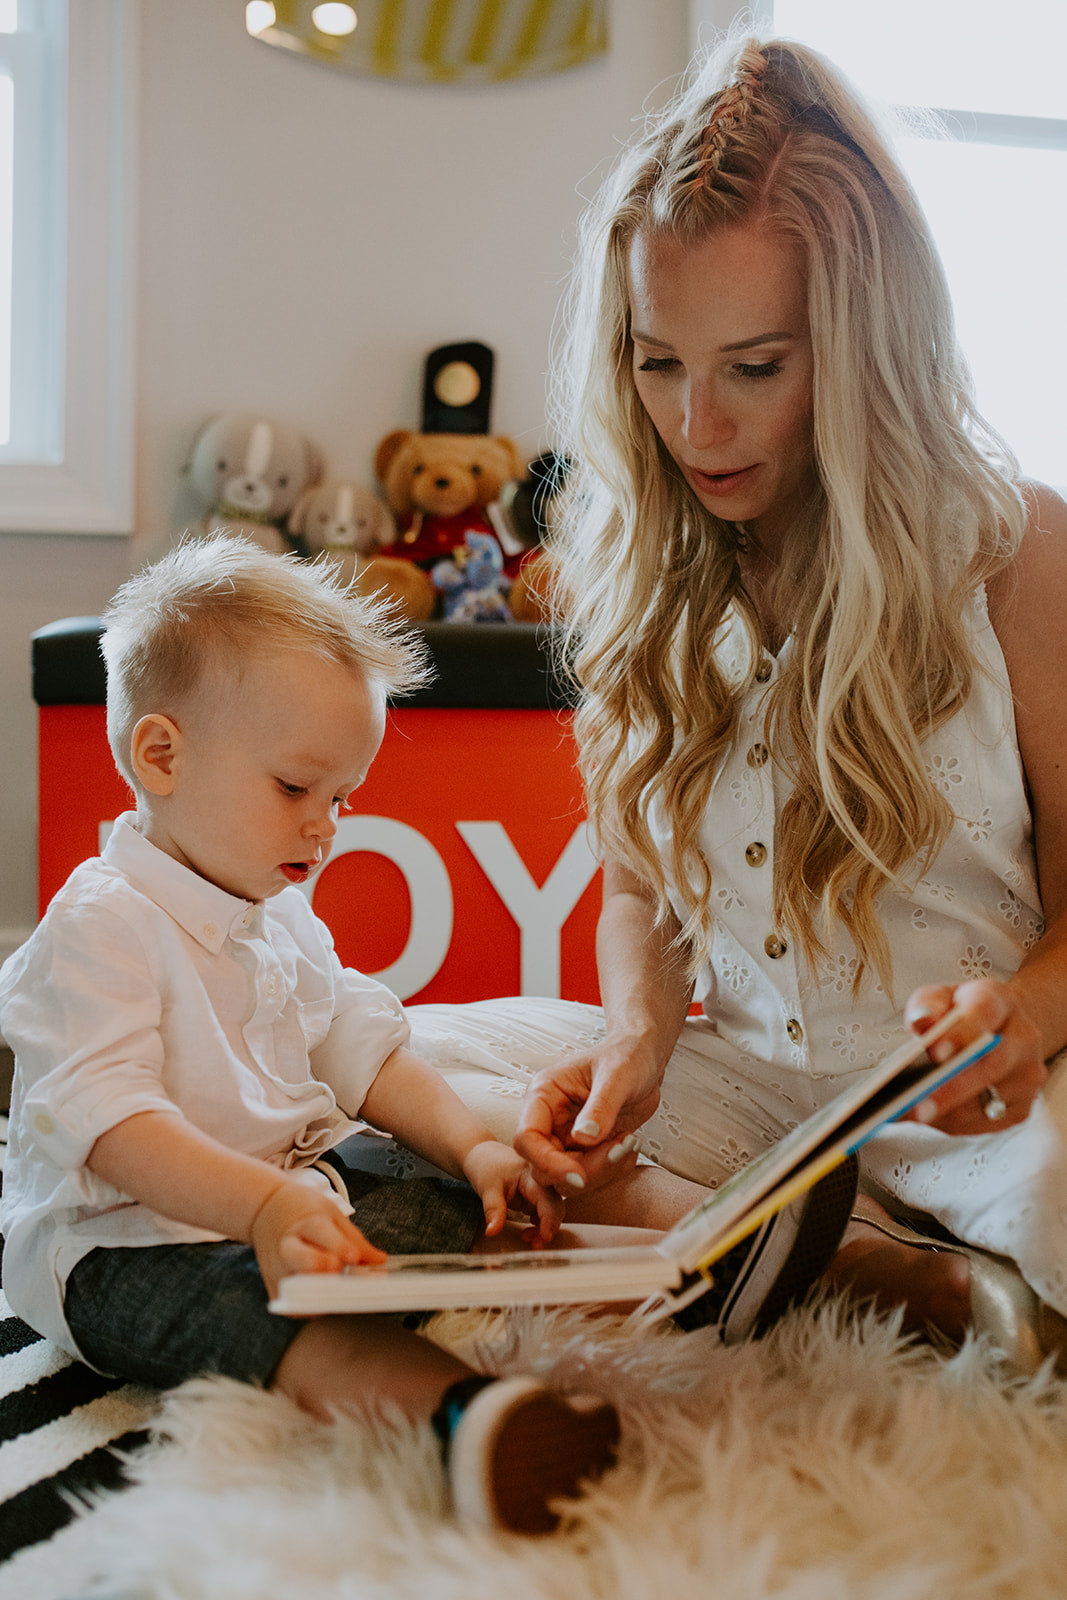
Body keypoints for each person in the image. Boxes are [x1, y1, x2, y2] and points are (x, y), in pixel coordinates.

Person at [403, 32, 1067, 1367]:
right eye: (657, 363)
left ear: (862, 346)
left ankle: (775, 1246)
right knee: (394, 1089)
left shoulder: (1007, 547)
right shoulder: (638, 561)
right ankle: (881, 1272)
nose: (694, 426)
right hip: (746, 1090)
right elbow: (641, 882)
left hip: (969, 1101)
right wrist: (638, 1039)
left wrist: (1027, 1021)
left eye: (753, 368)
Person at [0, 536, 663, 1538]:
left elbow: (368, 1051)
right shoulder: (103, 925)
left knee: (450, 1198)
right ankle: (469, 1420)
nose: (325, 829)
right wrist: (263, 1208)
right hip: (127, 1244)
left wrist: (474, 1148)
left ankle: (670, 1275)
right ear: (161, 754)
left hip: (290, 1191)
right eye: (294, 789)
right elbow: (115, 1125)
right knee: (270, 1315)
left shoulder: (273, 908)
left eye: (341, 798)